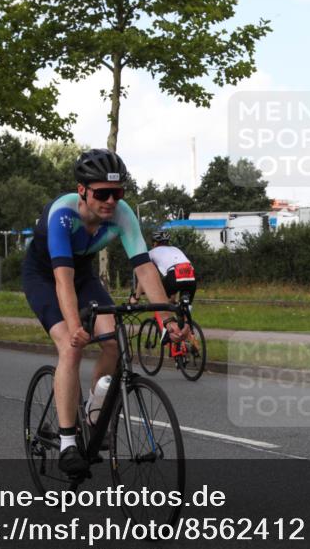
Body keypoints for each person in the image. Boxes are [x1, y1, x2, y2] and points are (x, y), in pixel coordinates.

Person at [22, 149, 188, 476]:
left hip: (82, 274)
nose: (111, 201)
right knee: (71, 345)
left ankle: (95, 413)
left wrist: (166, 321)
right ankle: (68, 443)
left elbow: (144, 270)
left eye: (117, 193)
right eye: (102, 193)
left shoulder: (122, 215)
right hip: (46, 276)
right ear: (82, 191)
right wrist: (75, 327)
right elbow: (62, 281)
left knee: (114, 340)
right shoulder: (62, 216)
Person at [146, 230, 197, 305]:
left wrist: (136, 295)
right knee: (186, 305)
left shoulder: (151, 252)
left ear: (155, 243)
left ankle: (163, 316)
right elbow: (179, 267)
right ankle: (185, 314)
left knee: (161, 301)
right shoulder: (176, 249)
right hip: (191, 273)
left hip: (173, 275)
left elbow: (145, 270)